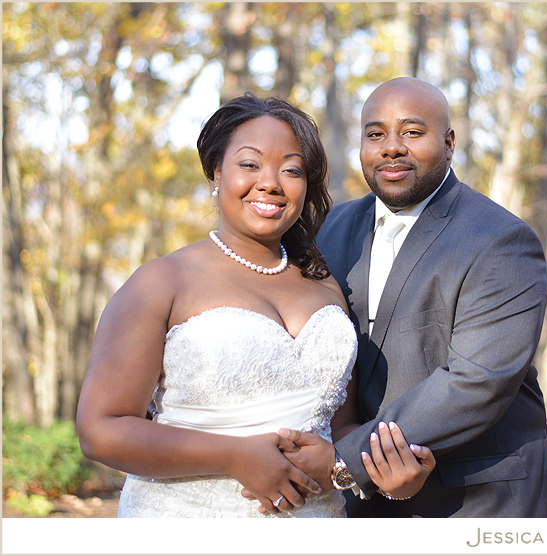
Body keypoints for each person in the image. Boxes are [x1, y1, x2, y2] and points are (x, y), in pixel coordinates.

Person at [76, 93, 434, 518]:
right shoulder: (161, 282)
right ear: (217, 172)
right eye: (249, 164)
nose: (271, 182)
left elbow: (339, 428)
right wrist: (233, 456)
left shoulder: (326, 286)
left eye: (291, 170)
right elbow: (101, 431)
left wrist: (387, 475)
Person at [278, 77, 547, 517]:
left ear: (449, 142)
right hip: (363, 505)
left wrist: (344, 458)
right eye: (375, 134)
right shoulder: (331, 229)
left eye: (412, 132)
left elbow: (477, 382)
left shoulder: (500, 240)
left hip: (477, 500)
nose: (391, 147)